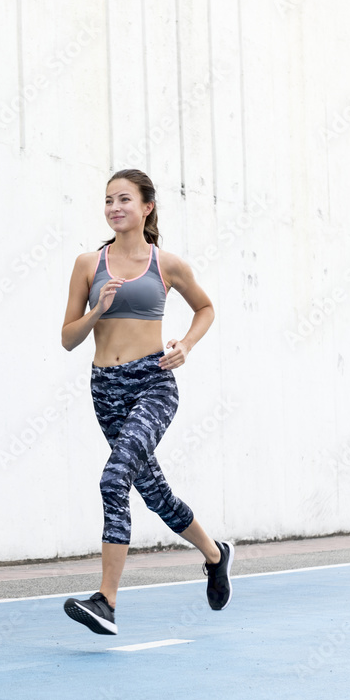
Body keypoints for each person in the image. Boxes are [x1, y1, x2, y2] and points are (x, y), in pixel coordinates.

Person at [60, 168, 234, 636]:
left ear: (146, 207)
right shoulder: (87, 264)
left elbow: (206, 308)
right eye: (108, 200)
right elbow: (67, 339)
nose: (115, 208)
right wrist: (96, 310)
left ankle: (107, 601)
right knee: (154, 493)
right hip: (106, 388)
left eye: (124, 200)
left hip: (153, 382)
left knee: (115, 478)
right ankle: (216, 554)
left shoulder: (167, 264)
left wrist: (187, 346)